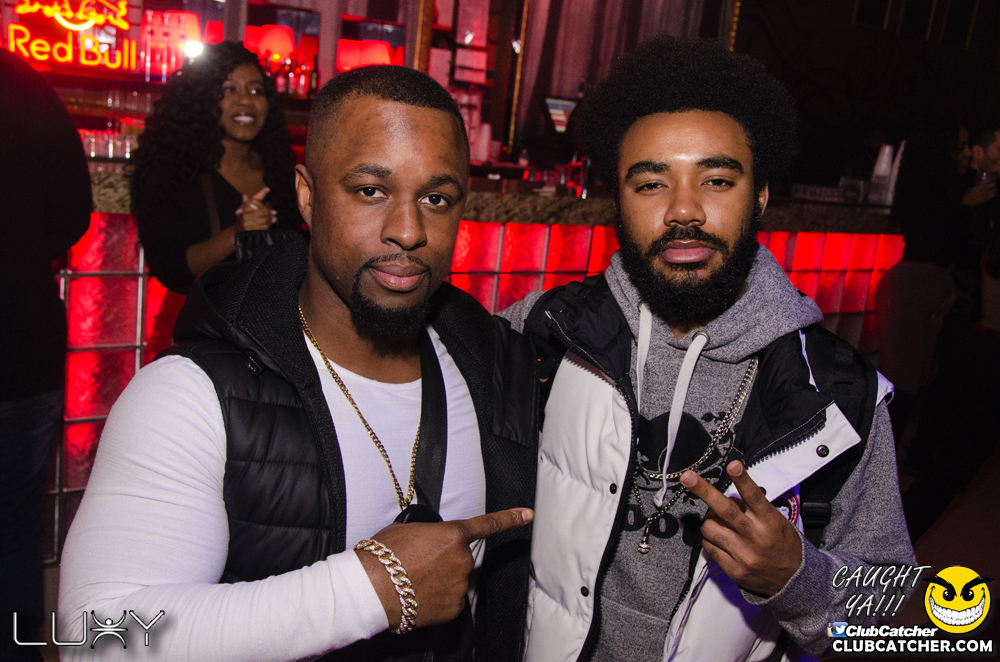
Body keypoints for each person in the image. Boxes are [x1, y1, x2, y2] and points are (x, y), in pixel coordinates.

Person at [58, 65, 537, 661]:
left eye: (435, 199)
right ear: (306, 196)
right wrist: (372, 589)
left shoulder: (496, 368)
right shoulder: (191, 397)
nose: (408, 231)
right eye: (371, 191)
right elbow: (97, 636)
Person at [500, 37, 915, 662]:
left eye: (716, 180)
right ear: (618, 202)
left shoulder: (836, 396)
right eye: (651, 184)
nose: (684, 210)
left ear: (761, 196)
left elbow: (906, 624)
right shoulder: (548, 330)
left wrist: (798, 580)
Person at [0, 49, 92, 662]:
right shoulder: (24, 84)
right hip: (22, 338)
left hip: (23, 344)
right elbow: (75, 210)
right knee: (14, 527)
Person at [131, 41, 302, 295]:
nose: (245, 101)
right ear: (203, 100)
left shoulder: (281, 173)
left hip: (269, 316)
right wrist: (236, 233)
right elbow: (170, 268)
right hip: (203, 318)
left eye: (255, 91)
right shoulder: (172, 173)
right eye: (229, 89)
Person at [874, 117, 983, 438]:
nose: (967, 152)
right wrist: (965, 208)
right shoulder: (926, 191)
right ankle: (873, 460)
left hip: (925, 291)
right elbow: (935, 241)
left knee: (917, 384)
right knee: (901, 388)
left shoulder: (955, 187)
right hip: (910, 291)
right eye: (960, 145)